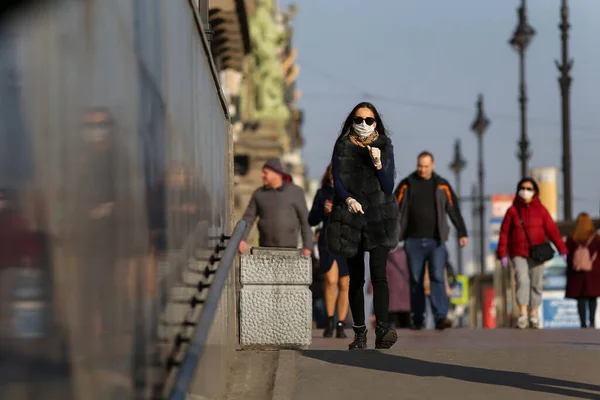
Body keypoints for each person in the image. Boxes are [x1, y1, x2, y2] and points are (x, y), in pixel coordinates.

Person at [326, 101, 400, 350]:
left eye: (369, 120)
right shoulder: (343, 145)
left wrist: (379, 163)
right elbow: (337, 180)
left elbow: (388, 186)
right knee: (356, 278)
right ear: (352, 121)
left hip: (379, 217)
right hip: (352, 216)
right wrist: (347, 199)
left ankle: (383, 329)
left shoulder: (384, 145)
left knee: (379, 276)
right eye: (359, 119)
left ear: (376, 122)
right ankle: (359, 334)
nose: (364, 124)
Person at [394, 151, 467, 330]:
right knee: (416, 280)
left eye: (426, 166)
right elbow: (393, 208)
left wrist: (462, 232)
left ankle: (440, 317)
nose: (422, 169)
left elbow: (453, 209)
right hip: (413, 241)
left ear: (432, 165)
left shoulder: (442, 186)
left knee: (437, 276)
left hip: (436, 241)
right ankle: (418, 318)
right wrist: (390, 233)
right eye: (420, 165)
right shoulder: (407, 185)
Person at [496, 177, 567, 329]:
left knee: (536, 283)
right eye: (522, 188)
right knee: (522, 280)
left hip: (537, 253)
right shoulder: (513, 210)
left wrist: (562, 248)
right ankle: (522, 314)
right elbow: (504, 233)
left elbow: (552, 230)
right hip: (518, 252)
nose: (525, 191)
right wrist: (502, 253)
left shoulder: (541, 210)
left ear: (535, 192)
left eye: (529, 188)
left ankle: (533, 314)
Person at [238, 158, 312, 255]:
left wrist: (307, 246)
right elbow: (248, 218)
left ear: (276, 173)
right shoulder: (259, 194)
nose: (262, 175)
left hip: (290, 251)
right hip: (264, 250)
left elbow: (305, 220)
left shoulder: (296, 192)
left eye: (265, 172)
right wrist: (242, 239)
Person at [308, 164, 349, 338]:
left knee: (344, 284)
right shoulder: (322, 193)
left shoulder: (351, 193)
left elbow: (359, 216)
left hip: (347, 241)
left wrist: (338, 210)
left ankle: (340, 324)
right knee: (331, 281)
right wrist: (322, 210)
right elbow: (311, 220)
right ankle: (330, 322)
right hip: (327, 241)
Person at [565, 212, 600, 328]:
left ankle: (583, 323)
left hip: (577, 273)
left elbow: (567, 255)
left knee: (580, 299)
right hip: (593, 274)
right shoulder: (596, 239)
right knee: (592, 299)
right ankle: (592, 321)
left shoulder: (572, 238)